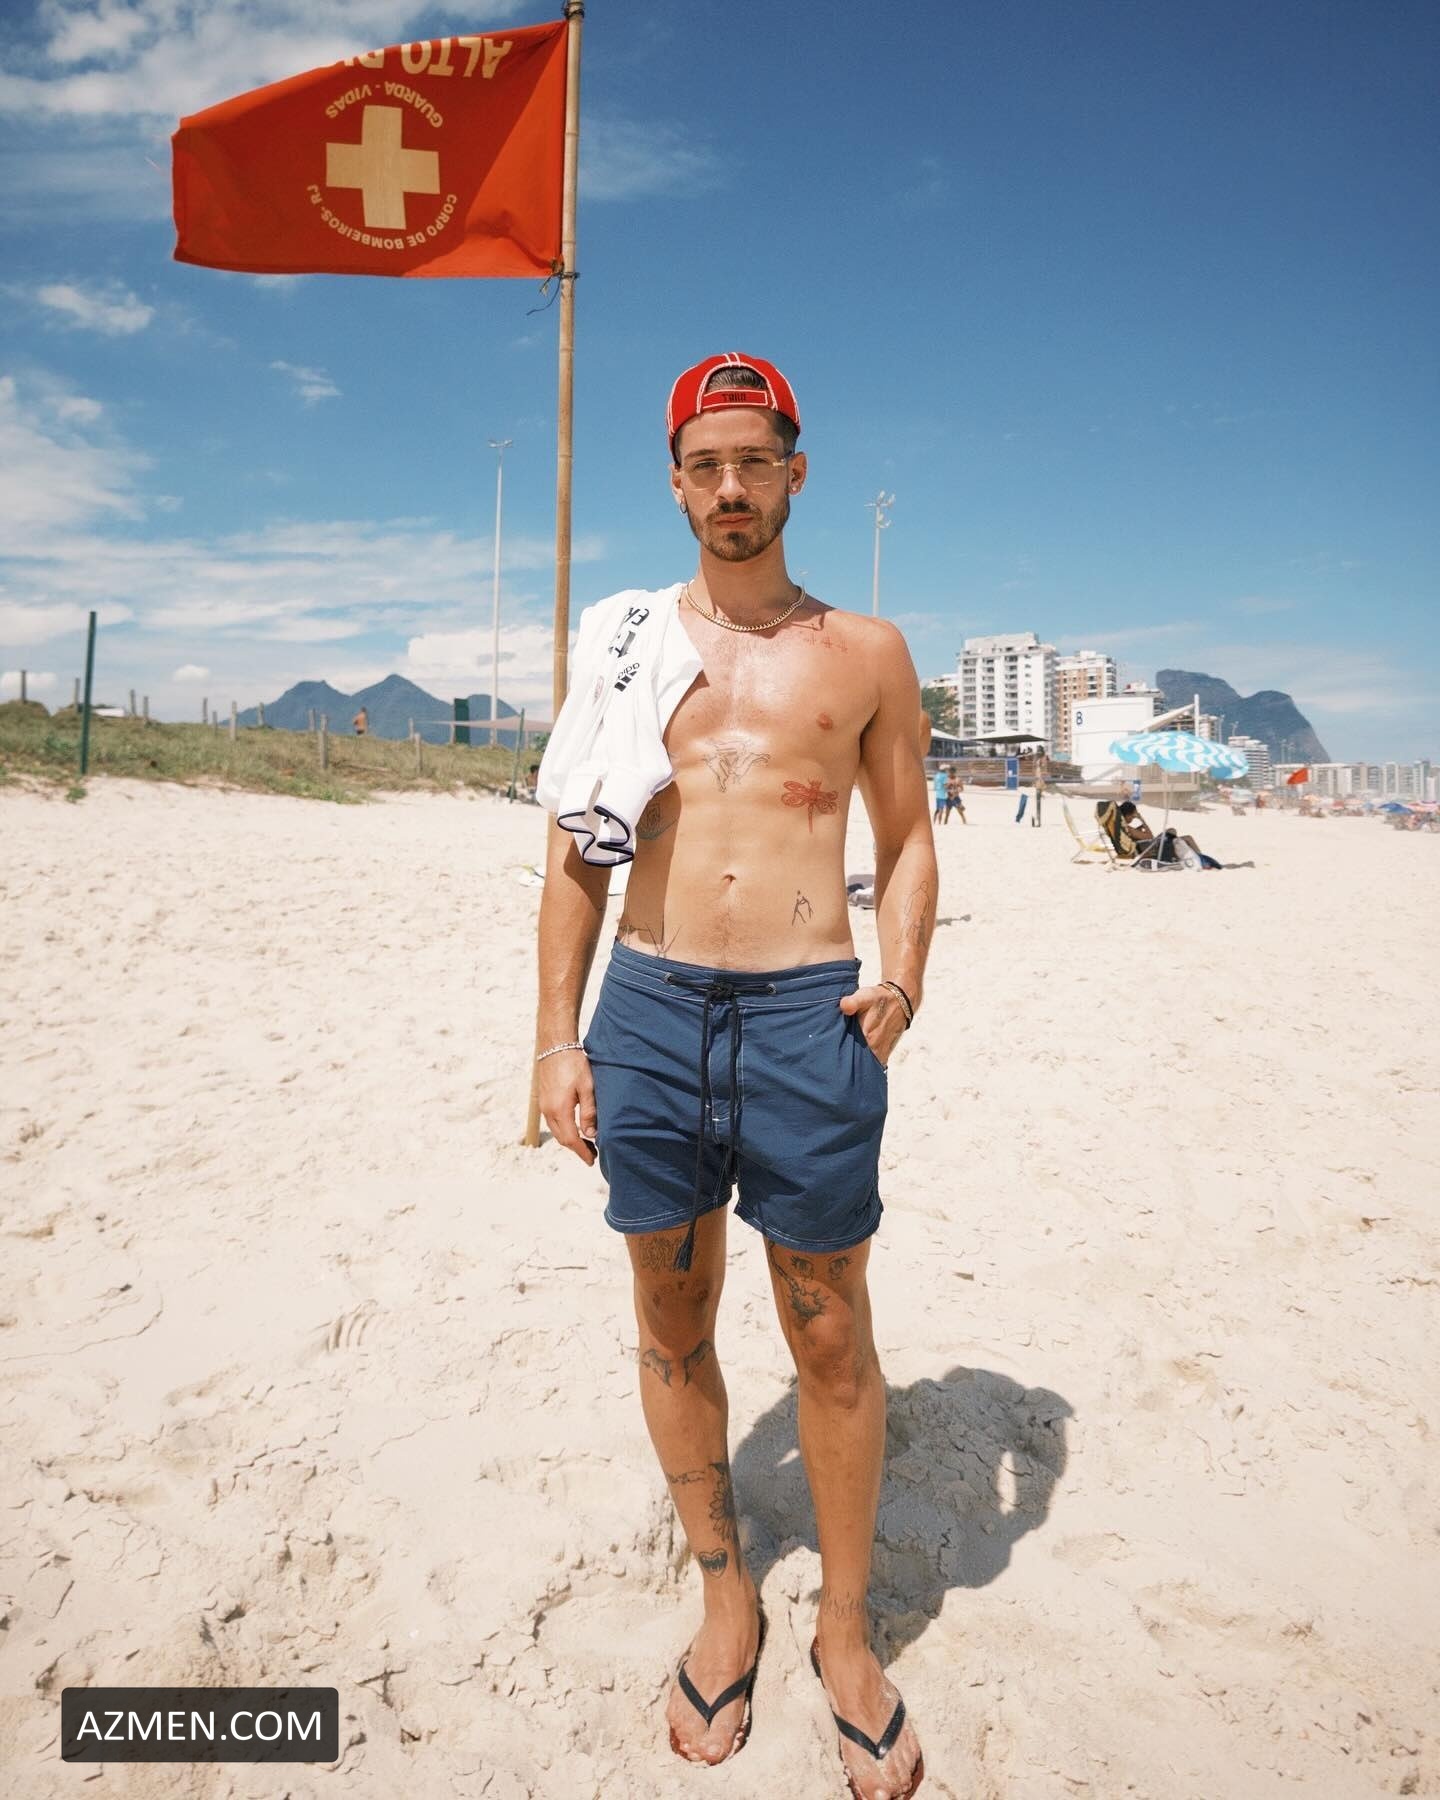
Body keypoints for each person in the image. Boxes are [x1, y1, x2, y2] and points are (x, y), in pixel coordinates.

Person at [535, 353, 931, 1799]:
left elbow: (908, 838)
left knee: (827, 1331)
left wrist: (903, 979)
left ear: (796, 475)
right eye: (705, 466)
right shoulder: (629, 644)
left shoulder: (867, 652)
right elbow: (578, 848)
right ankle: (726, 1598)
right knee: (669, 1312)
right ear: (676, 484)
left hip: (809, 1017)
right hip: (648, 1009)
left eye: (755, 461)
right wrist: (556, 1036)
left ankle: (844, 1627)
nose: (730, 488)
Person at [932, 761, 949, 825]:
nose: (947, 770)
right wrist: (948, 789)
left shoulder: (937, 775)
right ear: (944, 769)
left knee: (937, 809)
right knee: (941, 809)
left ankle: (934, 821)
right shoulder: (945, 776)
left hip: (937, 794)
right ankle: (939, 823)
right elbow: (945, 785)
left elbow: (934, 786)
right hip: (943, 795)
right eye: (946, 769)